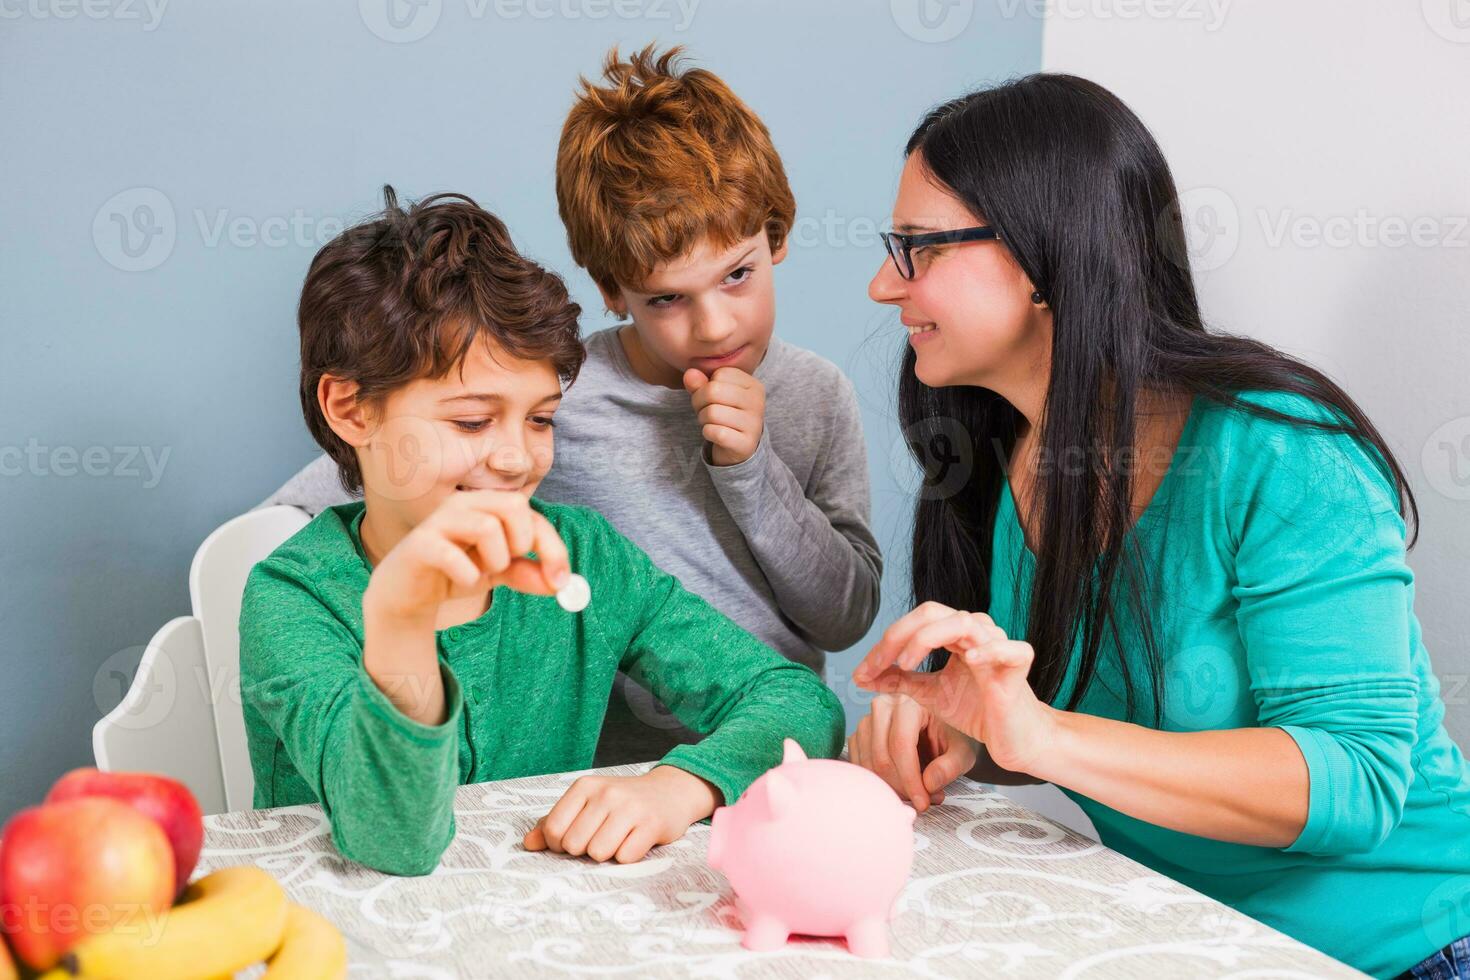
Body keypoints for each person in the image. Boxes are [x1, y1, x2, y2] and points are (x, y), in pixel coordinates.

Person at [846, 73, 1470, 980]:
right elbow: (1086, 723)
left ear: (1044, 256)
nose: (879, 283)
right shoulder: (996, 455)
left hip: (1408, 950)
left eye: (919, 249)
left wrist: (1043, 734)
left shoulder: (1280, 453)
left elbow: (1357, 779)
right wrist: (969, 731)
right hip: (1184, 940)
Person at [260, 45, 882, 766]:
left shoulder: (818, 396)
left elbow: (843, 618)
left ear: (775, 238)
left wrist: (751, 468)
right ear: (615, 292)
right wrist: (299, 604)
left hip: (768, 747)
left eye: (737, 275)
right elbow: (366, 482)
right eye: (668, 299)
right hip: (585, 771)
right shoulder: (547, 395)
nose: (714, 326)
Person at [239, 187, 844, 876]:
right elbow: (394, 841)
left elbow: (798, 702)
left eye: (540, 418)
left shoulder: (588, 555)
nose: (517, 457)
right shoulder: (293, 598)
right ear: (350, 409)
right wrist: (401, 622)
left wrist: (681, 786)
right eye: (471, 421)